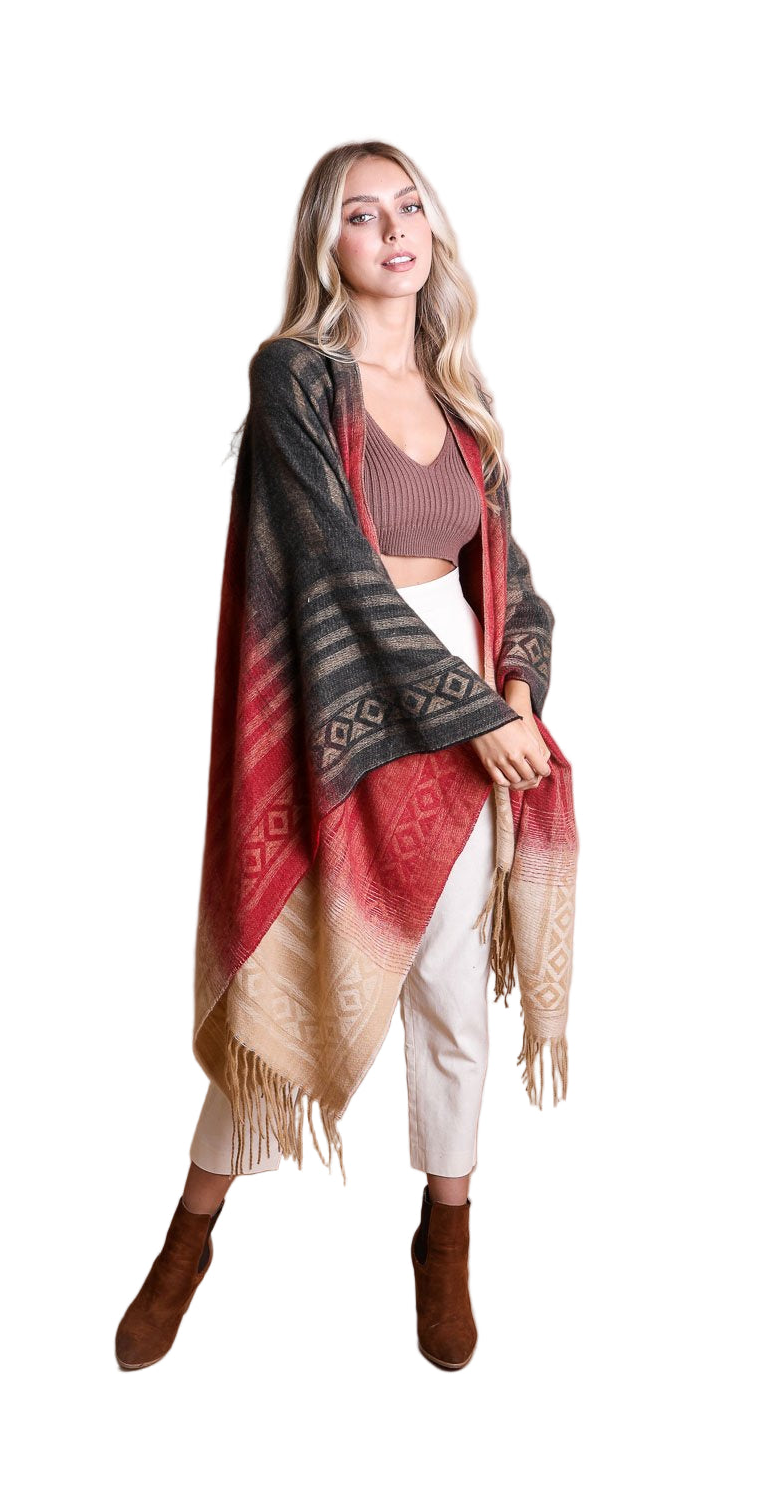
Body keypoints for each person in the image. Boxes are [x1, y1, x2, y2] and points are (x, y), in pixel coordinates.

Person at [116, 141, 574, 1375]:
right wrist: (474, 711)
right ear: (328, 243)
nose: (394, 231)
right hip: (349, 710)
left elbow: (510, 582)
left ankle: (445, 1233)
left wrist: (513, 688)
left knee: (451, 992)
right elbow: (332, 565)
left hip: (471, 716)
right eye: (362, 215)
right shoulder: (295, 376)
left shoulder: (461, 400)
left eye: (408, 207)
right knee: (292, 982)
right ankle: (190, 1234)